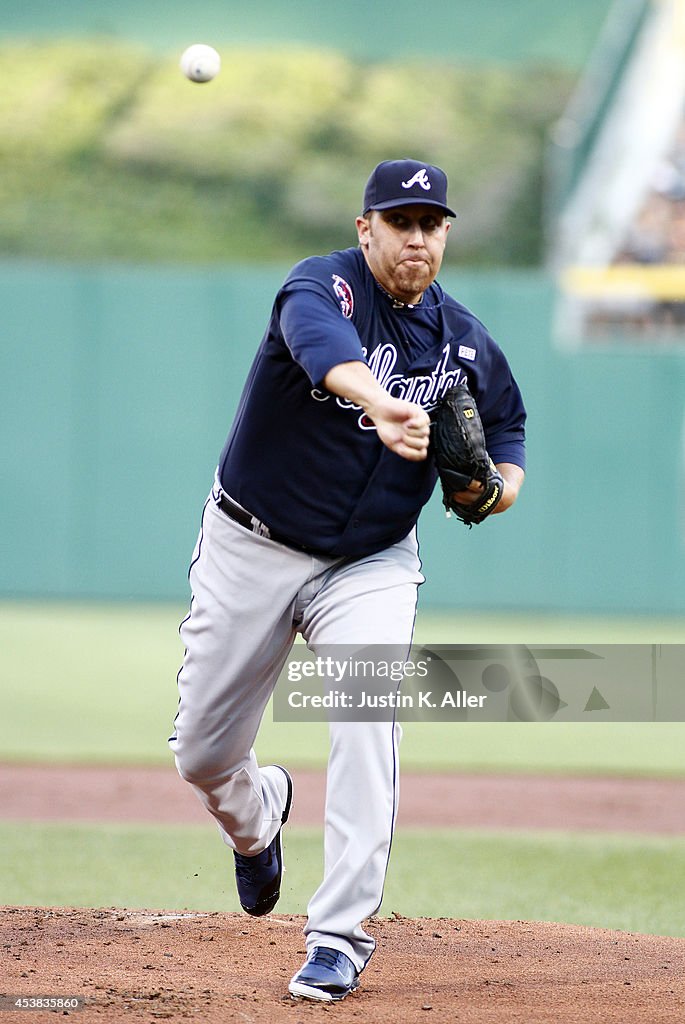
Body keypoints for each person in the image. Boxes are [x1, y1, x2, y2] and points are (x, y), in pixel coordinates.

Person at [169, 158, 526, 1002]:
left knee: (369, 717)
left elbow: (507, 432)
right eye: (398, 221)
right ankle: (259, 822)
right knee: (201, 754)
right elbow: (321, 349)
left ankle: (338, 935)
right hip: (250, 545)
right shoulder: (319, 287)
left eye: (430, 223)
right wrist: (380, 400)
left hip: (370, 561)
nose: (415, 237)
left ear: (445, 235)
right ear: (364, 228)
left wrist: (494, 491)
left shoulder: (465, 341)